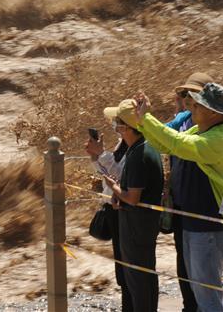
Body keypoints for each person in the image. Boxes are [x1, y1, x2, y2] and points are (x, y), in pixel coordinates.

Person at [126, 83, 223, 312]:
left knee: (208, 299)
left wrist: (148, 119)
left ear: (213, 112)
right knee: (201, 296)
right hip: (195, 225)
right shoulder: (203, 130)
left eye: (197, 106)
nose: (192, 109)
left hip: (208, 227)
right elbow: (165, 144)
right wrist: (143, 120)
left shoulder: (219, 139)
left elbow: (177, 143)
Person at [102, 99, 164, 312]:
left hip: (137, 226)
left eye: (117, 121)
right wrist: (121, 195)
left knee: (137, 279)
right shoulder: (145, 145)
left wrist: (114, 187)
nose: (114, 125)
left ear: (126, 127)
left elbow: (133, 198)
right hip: (143, 223)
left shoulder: (138, 154)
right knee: (146, 275)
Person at [166, 73, 214, 312]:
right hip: (180, 201)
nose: (187, 99)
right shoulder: (183, 119)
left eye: (192, 94)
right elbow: (163, 137)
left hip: (202, 203)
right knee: (183, 260)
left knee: (202, 268)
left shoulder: (214, 126)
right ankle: (189, 305)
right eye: (184, 94)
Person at [85, 127, 130, 311]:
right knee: (122, 268)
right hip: (114, 206)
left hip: (124, 209)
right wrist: (96, 157)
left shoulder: (138, 146)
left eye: (119, 121)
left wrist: (101, 154)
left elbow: (120, 176)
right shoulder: (123, 143)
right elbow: (108, 176)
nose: (115, 126)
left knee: (129, 268)